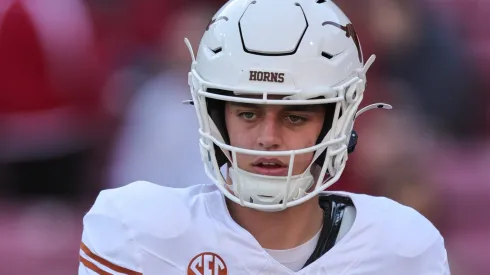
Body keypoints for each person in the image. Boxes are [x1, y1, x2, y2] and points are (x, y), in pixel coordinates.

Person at [78, 0, 450, 274]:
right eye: (248, 113)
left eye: (294, 116)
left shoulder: (403, 248)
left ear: (337, 121)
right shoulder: (136, 232)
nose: (267, 138)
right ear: (215, 117)